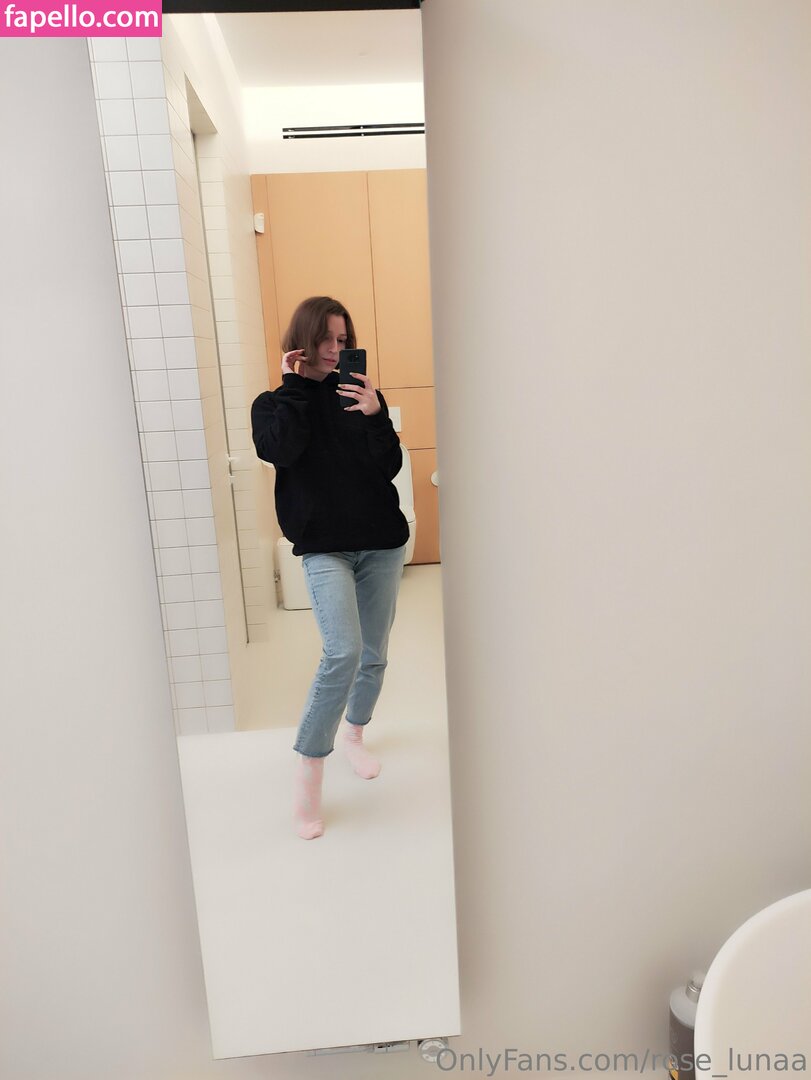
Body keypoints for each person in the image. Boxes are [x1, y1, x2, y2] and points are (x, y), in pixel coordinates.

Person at [251, 296, 409, 839]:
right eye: (325, 338)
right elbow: (281, 451)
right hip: (324, 548)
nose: (335, 349)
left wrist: (375, 416)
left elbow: (389, 466)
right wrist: (295, 387)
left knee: (374, 654)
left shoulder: (361, 398)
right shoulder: (274, 403)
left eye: (343, 340)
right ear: (303, 339)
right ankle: (309, 772)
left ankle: (355, 736)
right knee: (342, 651)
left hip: (381, 542)